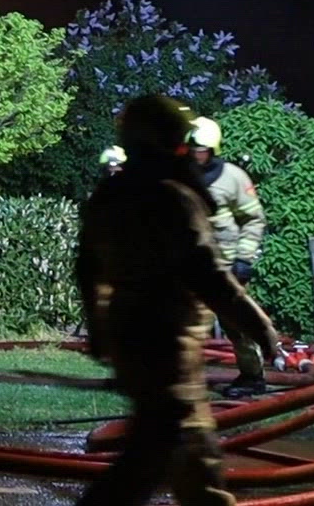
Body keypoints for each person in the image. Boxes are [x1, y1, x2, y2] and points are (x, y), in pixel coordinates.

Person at [77, 95, 279, 506]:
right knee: (174, 450)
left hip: (130, 336)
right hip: (166, 339)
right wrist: (261, 327)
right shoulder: (172, 199)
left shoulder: (111, 195)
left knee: (163, 451)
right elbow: (208, 276)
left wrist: (99, 330)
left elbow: (87, 269)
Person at [190, 116, 270, 397]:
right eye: (192, 148)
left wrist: (244, 259)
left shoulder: (233, 178)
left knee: (237, 326)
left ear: (213, 149)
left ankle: (252, 377)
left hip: (226, 268)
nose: (195, 154)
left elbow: (253, 219)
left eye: (201, 149)